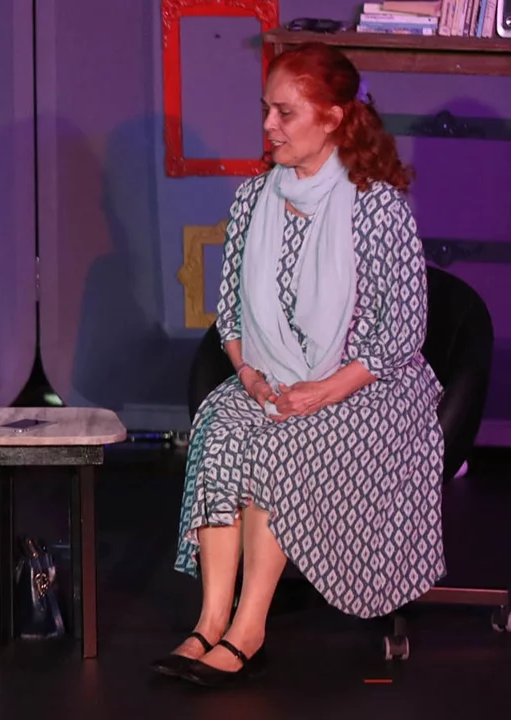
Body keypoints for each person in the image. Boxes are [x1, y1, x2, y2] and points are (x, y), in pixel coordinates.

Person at [152, 43, 445, 687]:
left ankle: (248, 629)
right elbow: (230, 313)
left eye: (285, 113)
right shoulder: (252, 198)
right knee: (221, 430)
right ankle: (209, 621)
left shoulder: (376, 207)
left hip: (370, 386)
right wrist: (248, 374)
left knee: (278, 444)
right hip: (272, 377)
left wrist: (324, 391)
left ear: (333, 117)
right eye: (266, 110)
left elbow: (401, 332)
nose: (268, 126)